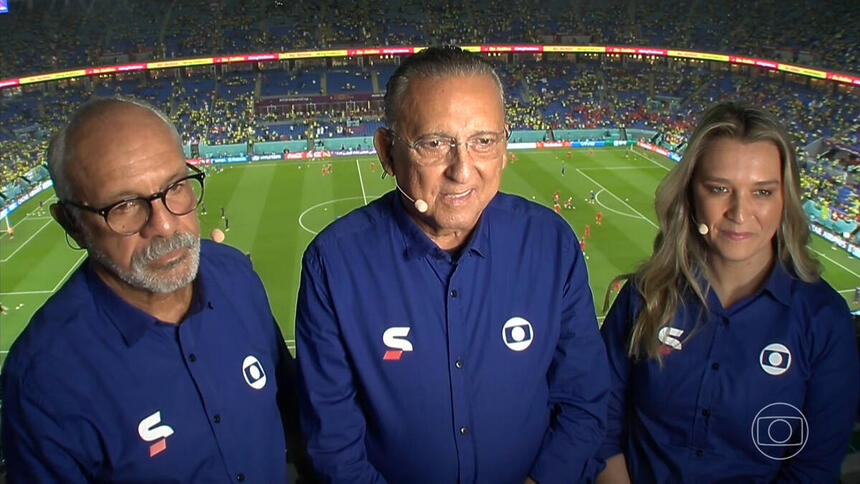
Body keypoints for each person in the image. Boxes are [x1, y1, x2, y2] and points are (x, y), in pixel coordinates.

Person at [295, 46, 608, 483]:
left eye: (483, 141)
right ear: (387, 152)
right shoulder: (333, 265)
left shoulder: (551, 244)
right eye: (435, 143)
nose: (463, 170)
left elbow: (585, 399)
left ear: (504, 146)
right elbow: (333, 443)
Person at [1, 98, 311, 482]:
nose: (164, 225)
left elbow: (291, 412)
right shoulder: (44, 378)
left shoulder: (236, 276)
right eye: (125, 205)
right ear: (72, 224)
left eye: (176, 186)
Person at [595, 102, 859, 483]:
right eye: (719, 188)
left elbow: (812, 468)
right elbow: (600, 420)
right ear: (690, 194)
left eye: (762, 192)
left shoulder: (822, 319)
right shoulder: (645, 295)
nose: (739, 211)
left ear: (786, 200)